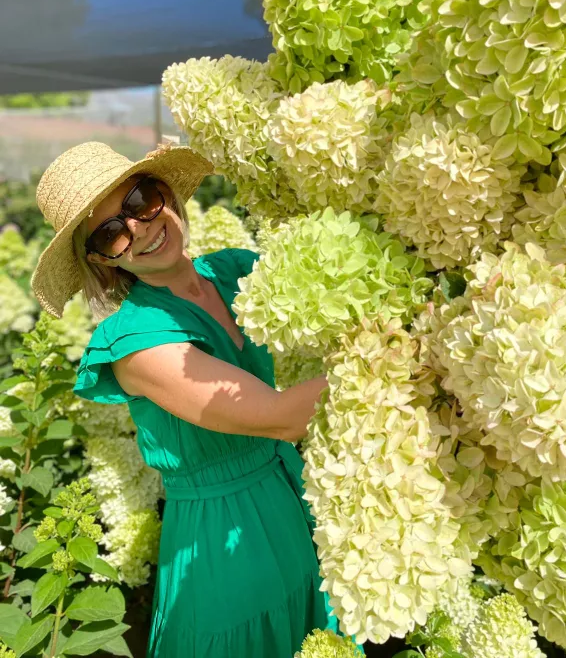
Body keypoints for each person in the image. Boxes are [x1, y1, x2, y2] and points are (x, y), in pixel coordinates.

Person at [31, 141, 337, 658]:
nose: (138, 230)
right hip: (221, 550)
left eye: (139, 202)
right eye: (110, 234)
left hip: (291, 504)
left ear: (166, 194)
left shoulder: (235, 271)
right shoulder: (136, 344)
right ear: (100, 258)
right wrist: (400, 361)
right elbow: (283, 417)